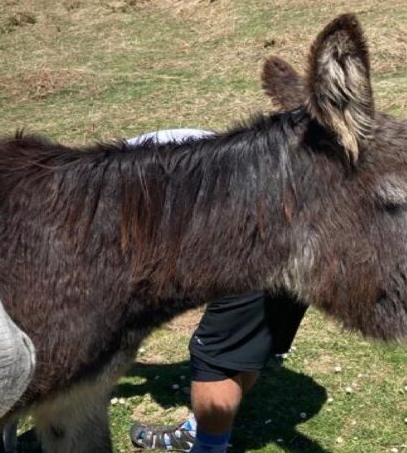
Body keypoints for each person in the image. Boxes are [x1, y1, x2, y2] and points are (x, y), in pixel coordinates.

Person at [125, 129, 309, 453]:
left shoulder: (118, 181)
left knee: (213, 357)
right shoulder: (151, 155)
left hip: (258, 240)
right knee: (245, 348)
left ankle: (207, 446)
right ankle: (201, 431)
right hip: (302, 236)